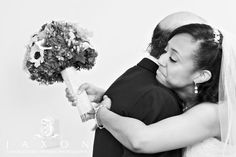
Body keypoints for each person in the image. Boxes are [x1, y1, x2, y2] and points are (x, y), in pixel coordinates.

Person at [70, 23, 236, 157]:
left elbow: (140, 140)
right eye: (166, 51)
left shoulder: (213, 113)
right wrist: (107, 96)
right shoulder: (191, 99)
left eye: (173, 59)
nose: (162, 60)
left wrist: (102, 114)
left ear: (201, 76)